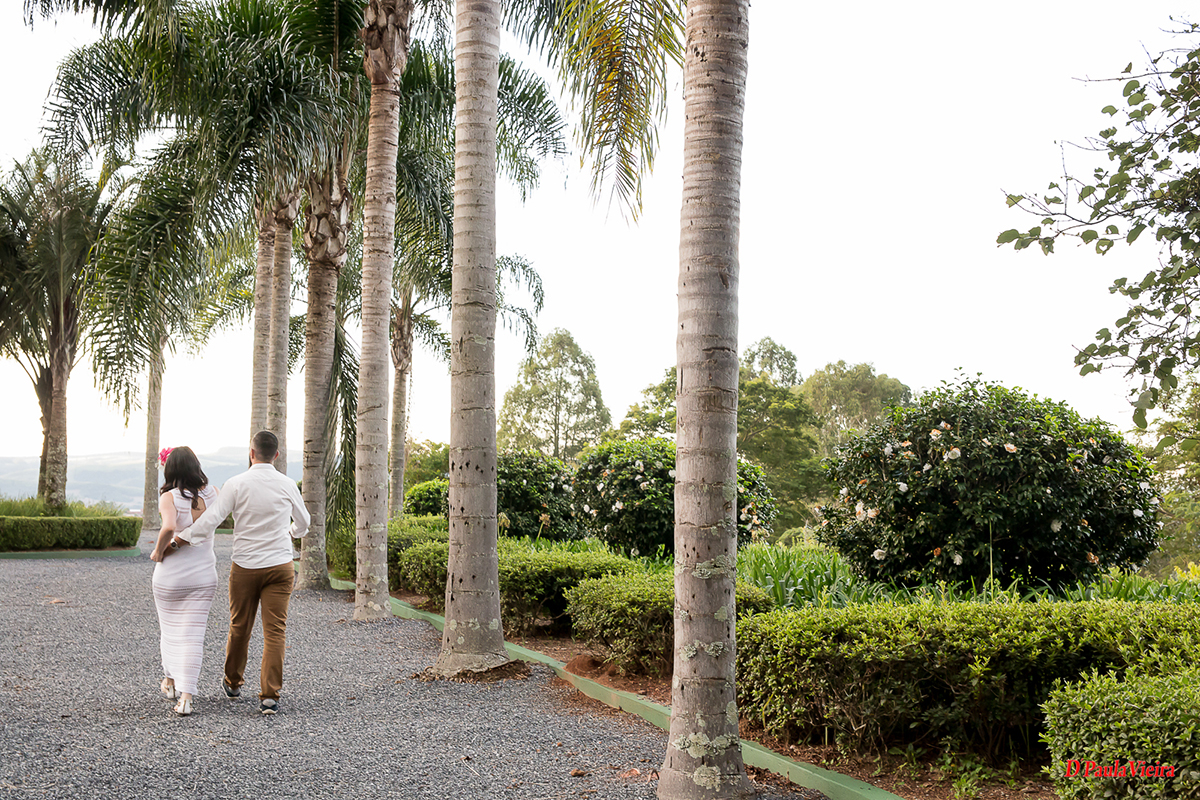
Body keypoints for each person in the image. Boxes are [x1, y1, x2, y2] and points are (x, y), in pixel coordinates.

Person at [175, 430, 310, 715]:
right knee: (275, 631)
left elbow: (212, 519)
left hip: (246, 566)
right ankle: (270, 696)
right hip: (280, 566)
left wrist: (182, 538)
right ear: (276, 455)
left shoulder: (236, 483)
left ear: (251, 453)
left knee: (240, 626)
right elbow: (304, 523)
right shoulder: (287, 484)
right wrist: (291, 532)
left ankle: (233, 682)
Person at [150, 446, 219, 717]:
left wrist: (158, 550)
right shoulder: (213, 493)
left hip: (172, 577)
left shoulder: (169, 497)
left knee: (170, 631)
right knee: (193, 635)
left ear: (170, 470)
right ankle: (186, 696)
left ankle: (170, 683)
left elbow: (168, 527)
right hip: (204, 576)